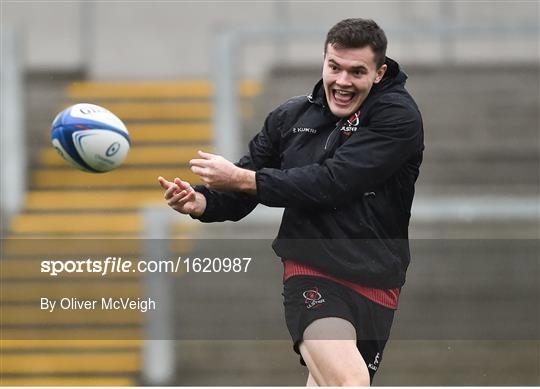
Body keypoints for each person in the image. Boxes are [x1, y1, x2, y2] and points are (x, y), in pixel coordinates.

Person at [159, 18, 424, 386]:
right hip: (313, 273)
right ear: (324, 61)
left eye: (356, 72)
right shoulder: (290, 117)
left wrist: (241, 179)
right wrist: (201, 202)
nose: (342, 82)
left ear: (379, 73)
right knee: (351, 383)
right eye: (334, 67)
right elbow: (242, 189)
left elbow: (334, 182)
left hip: (379, 283)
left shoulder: (398, 117)